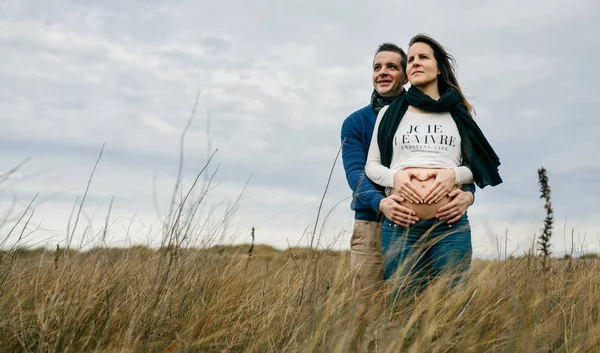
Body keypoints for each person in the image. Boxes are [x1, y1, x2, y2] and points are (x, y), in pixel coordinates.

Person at [365, 34, 502, 295]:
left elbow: (477, 166)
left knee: (451, 307)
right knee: (403, 309)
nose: (415, 62)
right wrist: (396, 179)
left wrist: (453, 175)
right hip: (401, 228)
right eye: (411, 59)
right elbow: (372, 166)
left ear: (438, 67)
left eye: (423, 57)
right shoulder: (390, 113)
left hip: (450, 227)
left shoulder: (458, 112)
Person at [341, 42, 477, 297]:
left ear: (405, 76)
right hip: (373, 221)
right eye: (377, 67)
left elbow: (457, 162)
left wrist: (468, 193)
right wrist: (381, 203)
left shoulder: (433, 111)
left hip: (427, 223)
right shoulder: (357, 122)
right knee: (368, 303)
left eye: (391, 67)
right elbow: (357, 173)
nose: (382, 72)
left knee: (425, 303)